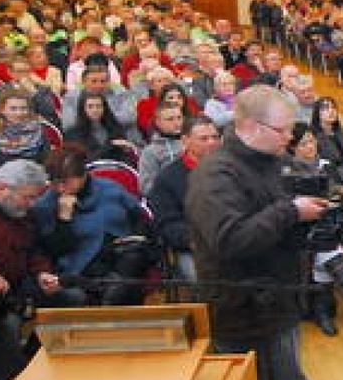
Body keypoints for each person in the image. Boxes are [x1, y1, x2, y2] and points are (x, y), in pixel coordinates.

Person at [185, 84, 337, 380]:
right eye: (283, 129)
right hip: (239, 302)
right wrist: (290, 212)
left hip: (277, 293)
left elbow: (274, 219)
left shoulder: (268, 159)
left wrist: (309, 218)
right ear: (252, 126)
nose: (291, 137)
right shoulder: (215, 175)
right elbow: (232, 240)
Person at [0, 160, 78, 380]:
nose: (32, 204)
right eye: (27, 197)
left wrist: (42, 272)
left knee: (72, 299)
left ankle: (29, 365)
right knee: (6, 324)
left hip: (15, 285)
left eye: (35, 198)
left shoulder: (19, 211)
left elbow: (33, 250)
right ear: (2, 188)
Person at [283, 123, 343, 336]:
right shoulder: (289, 173)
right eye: (303, 143)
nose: (310, 146)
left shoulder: (327, 165)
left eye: (312, 141)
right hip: (301, 228)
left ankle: (324, 309)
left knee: (325, 243)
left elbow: (342, 190)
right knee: (324, 245)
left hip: (334, 224)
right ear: (293, 148)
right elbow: (290, 205)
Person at [33, 146, 151, 306]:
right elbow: (53, 250)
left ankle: (113, 296)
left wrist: (137, 237)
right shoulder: (46, 204)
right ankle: (112, 301)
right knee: (124, 282)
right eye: (55, 183)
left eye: (65, 182)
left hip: (122, 253)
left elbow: (139, 217)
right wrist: (64, 218)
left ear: (82, 176)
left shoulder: (110, 188)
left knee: (134, 256)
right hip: (81, 263)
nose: (60, 188)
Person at [148, 115, 222, 283]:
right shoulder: (167, 178)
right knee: (203, 278)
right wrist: (197, 241)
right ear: (185, 141)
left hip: (233, 240)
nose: (211, 142)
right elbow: (167, 224)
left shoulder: (232, 171)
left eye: (215, 137)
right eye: (204, 138)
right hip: (192, 246)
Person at [63, 91, 142, 164]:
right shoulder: (73, 133)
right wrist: (110, 145)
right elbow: (82, 162)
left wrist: (128, 149)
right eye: (90, 107)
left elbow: (124, 158)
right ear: (83, 109)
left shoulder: (115, 128)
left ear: (104, 108)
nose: (95, 110)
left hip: (117, 171)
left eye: (99, 106)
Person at [0, 87, 50, 171]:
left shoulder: (39, 130)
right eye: (13, 109)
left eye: (23, 108)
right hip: (3, 179)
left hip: (34, 177)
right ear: (2, 110)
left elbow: (46, 160)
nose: (19, 113)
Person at [137, 102, 184, 195]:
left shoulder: (192, 142)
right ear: (158, 122)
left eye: (179, 118)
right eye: (170, 119)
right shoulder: (150, 152)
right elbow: (145, 188)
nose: (177, 123)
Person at [311, 96, 343, 168]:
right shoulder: (314, 137)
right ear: (317, 113)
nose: (331, 111)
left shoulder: (341, 131)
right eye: (326, 108)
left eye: (333, 107)